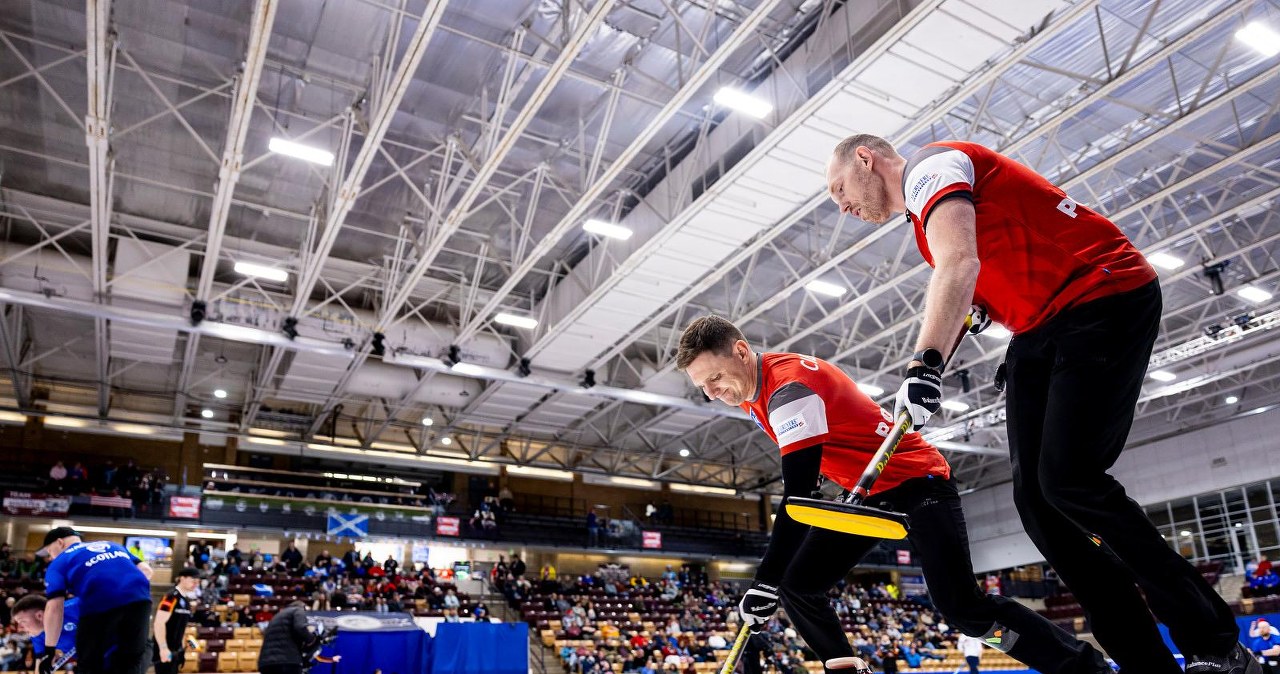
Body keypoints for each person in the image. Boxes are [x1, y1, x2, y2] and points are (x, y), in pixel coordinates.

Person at [824, 134, 1254, 674]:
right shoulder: (923, 222)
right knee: (1038, 505)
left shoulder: (932, 168)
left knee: (1069, 479)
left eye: (839, 189)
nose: (842, 206)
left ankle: (1214, 643)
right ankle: (1146, 664)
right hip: (1039, 328)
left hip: (1102, 295)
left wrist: (923, 364)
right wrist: (973, 315)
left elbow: (959, 264)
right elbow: (970, 282)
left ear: (866, 159)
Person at [676, 316, 1108, 674]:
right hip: (870, 491)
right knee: (799, 584)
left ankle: (1085, 668)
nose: (712, 392)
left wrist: (763, 582)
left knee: (962, 608)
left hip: (919, 483)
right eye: (703, 387)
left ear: (741, 351)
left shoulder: (790, 389)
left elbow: (799, 497)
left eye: (715, 378)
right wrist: (773, 582)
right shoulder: (751, 394)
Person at [37, 527, 153, 674]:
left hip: (100, 602)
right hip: (140, 600)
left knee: (89, 665)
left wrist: (49, 649)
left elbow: (54, 608)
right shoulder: (112, 545)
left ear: (60, 542)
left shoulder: (59, 562)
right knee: (130, 662)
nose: (50, 557)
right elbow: (147, 570)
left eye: (49, 551)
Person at [153, 568, 200, 674]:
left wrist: (184, 646)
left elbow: (181, 627)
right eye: (193, 580)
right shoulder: (170, 597)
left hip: (177, 651)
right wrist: (163, 648)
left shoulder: (186, 602)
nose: (196, 584)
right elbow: (159, 623)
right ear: (182, 579)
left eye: (198, 582)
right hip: (165, 649)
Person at [12, 594, 79, 667]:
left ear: (39, 616)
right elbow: (40, 665)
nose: (19, 629)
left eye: (22, 622)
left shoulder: (76, 607)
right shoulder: (37, 636)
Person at [258, 601, 315, 674]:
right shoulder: (298, 610)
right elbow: (300, 627)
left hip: (266, 662)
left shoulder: (277, 616)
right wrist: (311, 639)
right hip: (287, 661)